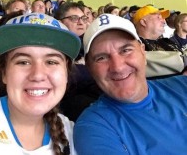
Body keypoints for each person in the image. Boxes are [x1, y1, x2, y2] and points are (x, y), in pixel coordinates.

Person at [0, 13, 81, 154]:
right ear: (4, 73)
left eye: (51, 62)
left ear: (66, 74)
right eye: (23, 62)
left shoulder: (73, 133)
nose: (38, 75)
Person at [74, 14, 187, 154]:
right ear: (90, 68)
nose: (118, 67)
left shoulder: (182, 86)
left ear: (143, 52)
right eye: (101, 57)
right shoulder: (93, 127)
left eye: (126, 50)